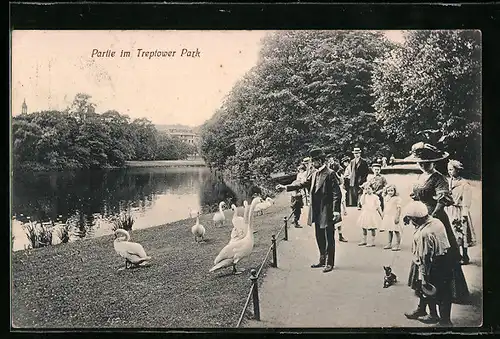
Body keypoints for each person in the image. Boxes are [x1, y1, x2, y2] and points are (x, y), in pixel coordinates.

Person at [404, 142, 470, 326]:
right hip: (420, 221)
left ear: (434, 162)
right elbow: (417, 195)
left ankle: (438, 313)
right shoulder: (420, 176)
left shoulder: (439, 178)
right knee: (421, 262)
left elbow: (444, 200)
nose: (423, 165)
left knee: (435, 265)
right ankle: (423, 307)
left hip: (435, 223)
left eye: (427, 162)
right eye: (421, 162)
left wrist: (429, 216)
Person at [276, 148, 342, 273]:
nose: (311, 164)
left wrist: (336, 211)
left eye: (313, 161)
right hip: (316, 210)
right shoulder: (314, 173)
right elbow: (302, 184)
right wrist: (286, 187)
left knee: (329, 237)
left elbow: (336, 194)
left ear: (320, 160)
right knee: (319, 235)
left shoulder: (330, 173)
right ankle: (322, 259)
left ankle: (330, 263)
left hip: (327, 210)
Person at [403, 201, 454, 325]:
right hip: (445, 259)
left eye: (411, 219)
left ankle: (441, 319)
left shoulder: (425, 233)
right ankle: (423, 310)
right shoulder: (436, 221)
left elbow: (425, 257)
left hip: (434, 263)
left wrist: (424, 276)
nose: (410, 222)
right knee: (433, 288)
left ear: (416, 219)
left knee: (431, 288)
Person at [445, 159, 477, 265]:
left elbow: (466, 201)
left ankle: (465, 255)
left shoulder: (464, 184)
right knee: (452, 233)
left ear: (458, 170)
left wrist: (464, 214)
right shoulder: (448, 182)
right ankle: (456, 255)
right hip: (449, 210)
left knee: (461, 233)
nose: (449, 172)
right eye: (448, 170)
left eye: (451, 170)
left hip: (459, 210)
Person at [381, 184, 402, 251]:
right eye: (388, 191)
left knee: (396, 231)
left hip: (394, 216)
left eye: (392, 190)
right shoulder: (386, 197)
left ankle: (397, 245)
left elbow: (399, 208)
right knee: (389, 230)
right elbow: (385, 207)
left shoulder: (397, 198)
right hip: (388, 216)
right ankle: (389, 243)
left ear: (395, 191)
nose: (390, 192)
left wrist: (397, 217)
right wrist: (383, 214)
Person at [290, 164, 307, 228]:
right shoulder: (298, 178)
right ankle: (295, 222)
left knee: (297, 210)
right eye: (299, 170)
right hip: (296, 198)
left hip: (296, 196)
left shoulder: (304, 174)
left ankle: (295, 221)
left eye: (301, 169)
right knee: (297, 211)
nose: (300, 171)